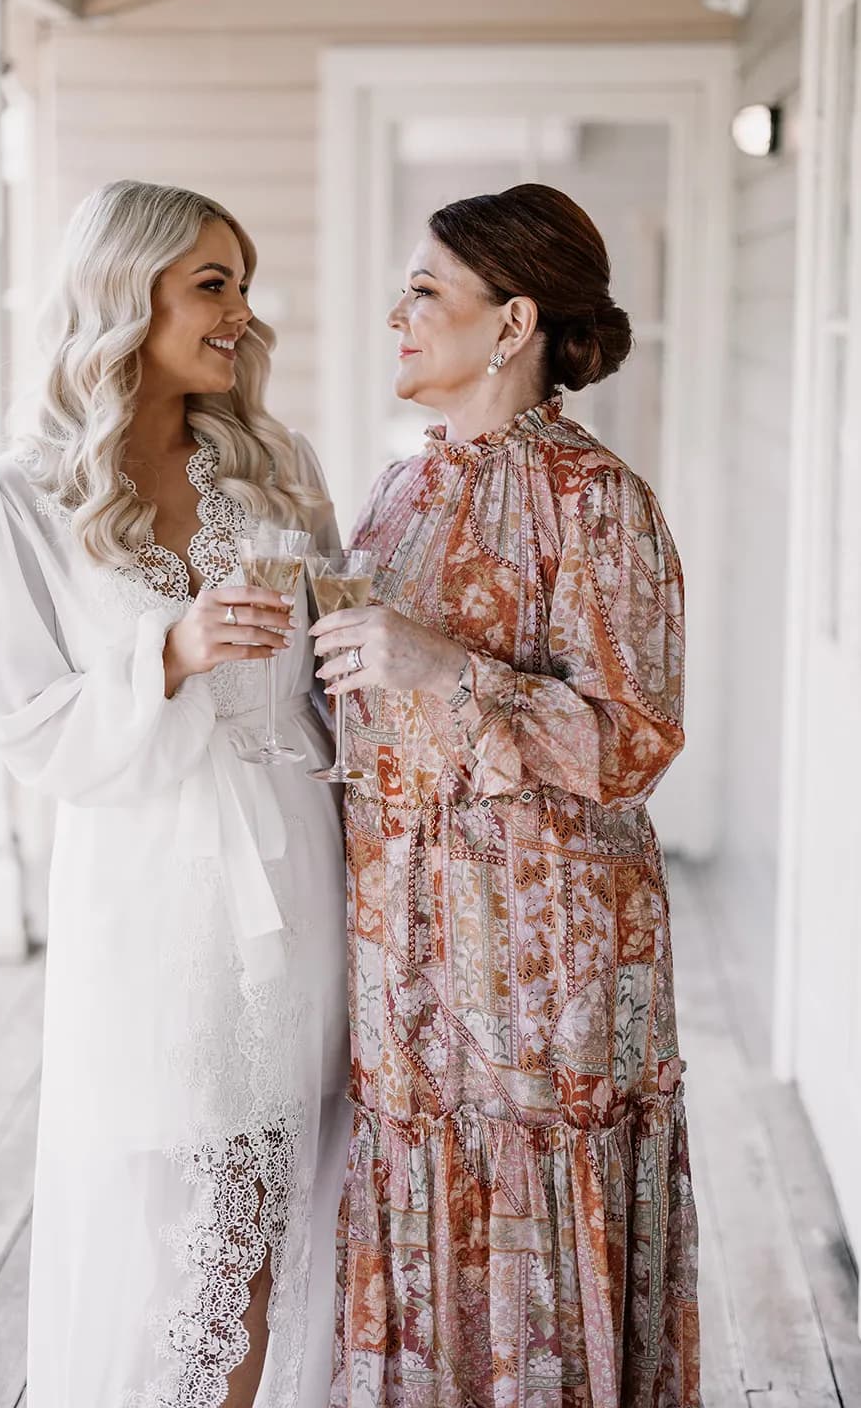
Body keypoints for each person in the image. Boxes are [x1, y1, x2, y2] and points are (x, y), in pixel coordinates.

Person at [0, 180, 350, 1408]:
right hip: (156, 895)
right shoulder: (13, 498)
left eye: (243, 283)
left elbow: (337, 672)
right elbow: (29, 728)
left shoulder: (278, 466)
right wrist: (165, 656)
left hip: (296, 861)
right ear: (127, 298)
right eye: (211, 284)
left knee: (282, 1196)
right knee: (185, 1213)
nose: (240, 314)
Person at [313, 184, 700, 1407]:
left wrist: (445, 669)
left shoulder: (600, 504)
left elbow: (631, 745)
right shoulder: (392, 494)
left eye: (424, 290)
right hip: (402, 961)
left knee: (537, 1241)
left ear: (512, 319)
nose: (397, 313)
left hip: (543, 971)